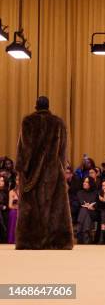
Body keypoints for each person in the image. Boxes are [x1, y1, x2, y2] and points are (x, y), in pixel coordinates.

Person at [13, 96, 73, 249]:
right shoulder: (58, 123)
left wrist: (21, 169)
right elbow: (62, 150)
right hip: (54, 170)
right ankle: (58, 241)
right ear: (48, 106)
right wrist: (61, 168)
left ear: (36, 106)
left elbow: (24, 149)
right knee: (55, 206)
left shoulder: (28, 122)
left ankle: (30, 241)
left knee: (32, 206)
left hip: (33, 171)